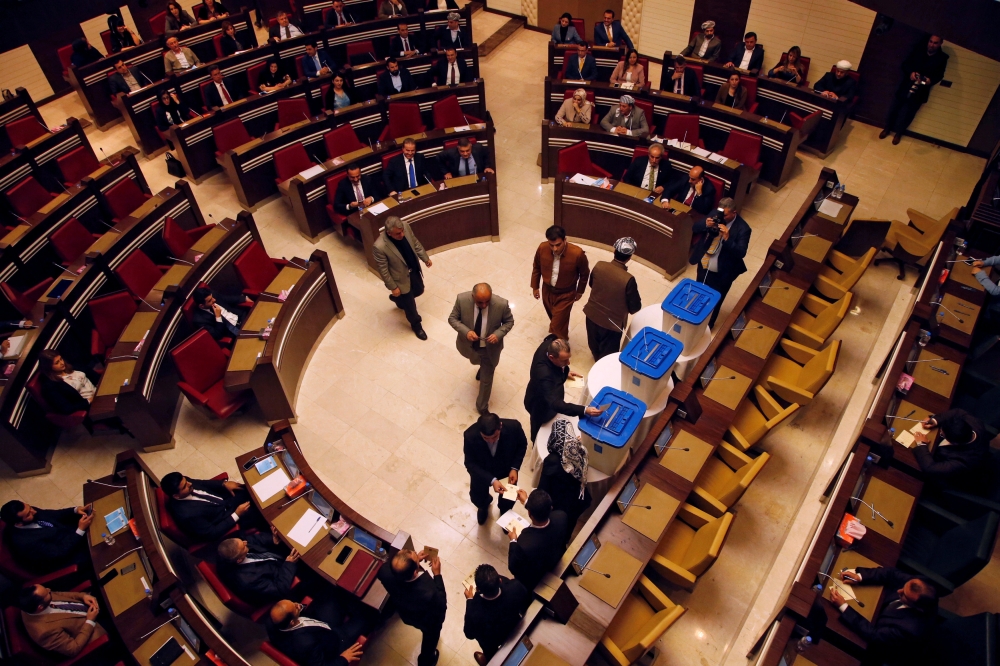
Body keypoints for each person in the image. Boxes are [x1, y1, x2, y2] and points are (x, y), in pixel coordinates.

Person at [830, 566, 937, 665]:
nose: (898, 591)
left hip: (879, 650)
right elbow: (891, 573)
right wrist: (860, 577)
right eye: (903, 588)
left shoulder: (910, 629)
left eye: (904, 595)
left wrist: (843, 607)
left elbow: (873, 634)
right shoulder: (919, 585)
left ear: (917, 607)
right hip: (880, 611)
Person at [449, 284, 514, 414]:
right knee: (475, 360)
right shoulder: (462, 300)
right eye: (480, 302)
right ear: (473, 296)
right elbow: (453, 318)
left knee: (486, 379)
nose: (484, 305)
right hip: (470, 346)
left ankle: (482, 406)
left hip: (490, 350)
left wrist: (498, 334)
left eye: (487, 301)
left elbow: (509, 322)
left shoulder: (501, 304)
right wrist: (466, 332)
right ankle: (481, 366)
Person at [523, 336, 603, 440]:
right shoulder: (544, 375)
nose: (568, 363)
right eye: (564, 360)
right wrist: (585, 410)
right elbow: (556, 404)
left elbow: (551, 337)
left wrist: (565, 372)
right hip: (540, 405)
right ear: (551, 357)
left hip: (546, 392)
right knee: (537, 429)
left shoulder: (549, 344)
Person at [377, 549, 447, 666]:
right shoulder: (429, 590)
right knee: (430, 639)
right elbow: (442, 604)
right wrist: (437, 574)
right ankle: (426, 661)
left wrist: (415, 562)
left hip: (405, 614)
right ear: (415, 572)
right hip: (426, 621)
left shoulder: (384, 572)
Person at [690, 197, 750, 327]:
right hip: (705, 262)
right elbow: (695, 228)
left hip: (723, 271)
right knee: (698, 291)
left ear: (734, 213)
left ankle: (708, 326)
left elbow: (741, 252)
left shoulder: (743, 229)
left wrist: (727, 239)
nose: (722, 216)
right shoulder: (715, 215)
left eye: (726, 215)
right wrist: (706, 224)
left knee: (715, 300)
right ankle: (693, 319)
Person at [880, 35, 948, 145]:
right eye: (930, 42)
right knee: (894, 109)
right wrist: (911, 73)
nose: (932, 44)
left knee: (909, 114)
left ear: (940, 43)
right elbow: (905, 64)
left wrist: (930, 81)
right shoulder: (918, 51)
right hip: (906, 86)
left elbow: (940, 75)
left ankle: (899, 133)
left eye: (935, 43)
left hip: (921, 90)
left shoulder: (943, 58)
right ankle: (887, 128)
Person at [372, 215, 432, 340]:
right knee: (411, 306)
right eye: (398, 233)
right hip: (400, 279)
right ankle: (416, 325)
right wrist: (393, 287)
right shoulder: (379, 246)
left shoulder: (405, 226)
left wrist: (425, 258)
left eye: (402, 231)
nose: (402, 235)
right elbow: (383, 270)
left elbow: (415, 243)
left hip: (413, 270)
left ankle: (398, 300)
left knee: (419, 290)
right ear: (389, 233)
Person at [584, 237, 641, 360]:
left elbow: (591, 284)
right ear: (630, 257)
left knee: (594, 345)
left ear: (614, 251)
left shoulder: (599, 265)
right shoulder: (628, 279)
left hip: (591, 315)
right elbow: (635, 307)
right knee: (608, 354)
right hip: (613, 324)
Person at [463, 412, 527, 523]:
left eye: (495, 437)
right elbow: (470, 463)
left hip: (506, 469)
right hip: (482, 472)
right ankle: (483, 506)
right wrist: (492, 480)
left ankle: (504, 512)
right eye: (486, 438)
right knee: (477, 497)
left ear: (500, 426)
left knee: (508, 499)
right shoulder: (470, 435)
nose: (491, 441)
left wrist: (514, 468)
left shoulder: (514, 427)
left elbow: (522, 445)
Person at [910, 408, 992, 494]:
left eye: (942, 434)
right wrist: (935, 420)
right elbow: (958, 412)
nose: (940, 432)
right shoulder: (975, 424)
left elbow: (931, 468)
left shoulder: (963, 461)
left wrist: (921, 444)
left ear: (955, 443)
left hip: (949, 480)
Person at [161, 471, 259, 542]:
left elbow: (203, 483)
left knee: (253, 487)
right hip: (227, 517)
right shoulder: (187, 515)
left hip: (225, 499)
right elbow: (211, 533)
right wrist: (237, 514)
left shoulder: (185, 483)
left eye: (186, 481)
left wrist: (223, 484)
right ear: (176, 496)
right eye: (185, 486)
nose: (190, 484)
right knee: (260, 512)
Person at [531, 225, 590, 340]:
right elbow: (536, 267)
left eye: (558, 245)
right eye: (551, 245)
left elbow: (584, 274)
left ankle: (559, 346)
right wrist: (535, 287)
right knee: (555, 319)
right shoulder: (542, 248)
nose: (555, 249)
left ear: (565, 240)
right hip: (547, 290)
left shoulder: (577, 254)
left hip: (566, 294)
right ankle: (562, 339)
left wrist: (580, 292)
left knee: (555, 326)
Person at [266, 599, 366, 666]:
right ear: (292, 622)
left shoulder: (273, 621)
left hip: (322, 623)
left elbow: (295, 610)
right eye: (295, 607)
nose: (297, 604)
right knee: (366, 617)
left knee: (334, 596)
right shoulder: (305, 644)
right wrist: (343, 659)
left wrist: (298, 608)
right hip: (337, 640)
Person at [0, 500, 92, 573]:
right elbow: (59, 552)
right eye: (29, 514)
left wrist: (75, 510)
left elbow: (53, 514)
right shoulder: (25, 543)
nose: (34, 511)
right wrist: (80, 530)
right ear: (19, 524)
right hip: (66, 558)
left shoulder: (30, 511)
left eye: (30, 507)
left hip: (66, 534)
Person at [463, 564, 529, 665]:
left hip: (492, 642)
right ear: (500, 580)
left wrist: (470, 599)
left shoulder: (474, 611)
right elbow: (525, 602)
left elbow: (469, 634)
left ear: (478, 590)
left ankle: (491, 661)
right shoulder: (515, 587)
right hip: (515, 627)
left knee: (489, 650)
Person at [217, 526, 301, 604]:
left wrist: (272, 539)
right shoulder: (250, 581)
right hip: (283, 571)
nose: (245, 542)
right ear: (239, 560)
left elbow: (253, 540)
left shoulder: (230, 551)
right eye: (244, 546)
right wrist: (289, 564)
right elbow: (279, 589)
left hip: (274, 554)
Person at [18, 584, 106, 657]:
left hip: (89, 605)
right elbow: (73, 649)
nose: (49, 590)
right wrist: (90, 621)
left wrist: (82, 596)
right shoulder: (44, 633)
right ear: (40, 607)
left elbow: (60, 594)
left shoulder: (34, 601)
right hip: (95, 628)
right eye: (47, 593)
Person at [507, 489, 568, 591]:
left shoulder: (524, 543)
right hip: (556, 560)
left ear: (529, 513)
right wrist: (527, 502)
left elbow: (513, 567)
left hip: (535, 579)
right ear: (551, 507)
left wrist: (513, 541)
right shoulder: (561, 517)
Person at [540, 419, 592, 528]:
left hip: (559, 502)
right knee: (569, 524)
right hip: (576, 501)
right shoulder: (578, 449)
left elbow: (543, 489)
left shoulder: (552, 460)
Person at [36, 350, 96, 416]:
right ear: (49, 367)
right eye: (57, 363)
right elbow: (67, 408)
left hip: (98, 390)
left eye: (61, 359)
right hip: (90, 405)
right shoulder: (50, 386)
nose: (62, 363)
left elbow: (90, 373)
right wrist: (89, 401)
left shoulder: (70, 366)